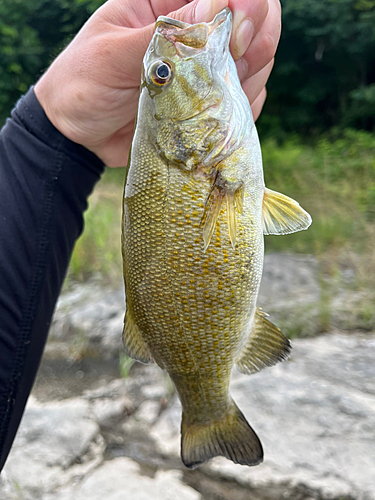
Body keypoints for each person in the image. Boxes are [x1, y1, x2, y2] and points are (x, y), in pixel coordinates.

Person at [0, 0, 281, 471]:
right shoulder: (201, 160)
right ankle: (209, 414)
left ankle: (205, 411)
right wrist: (47, 134)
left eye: (161, 74)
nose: (168, 38)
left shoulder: (199, 158)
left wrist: (52, 131)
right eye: (163, 77)